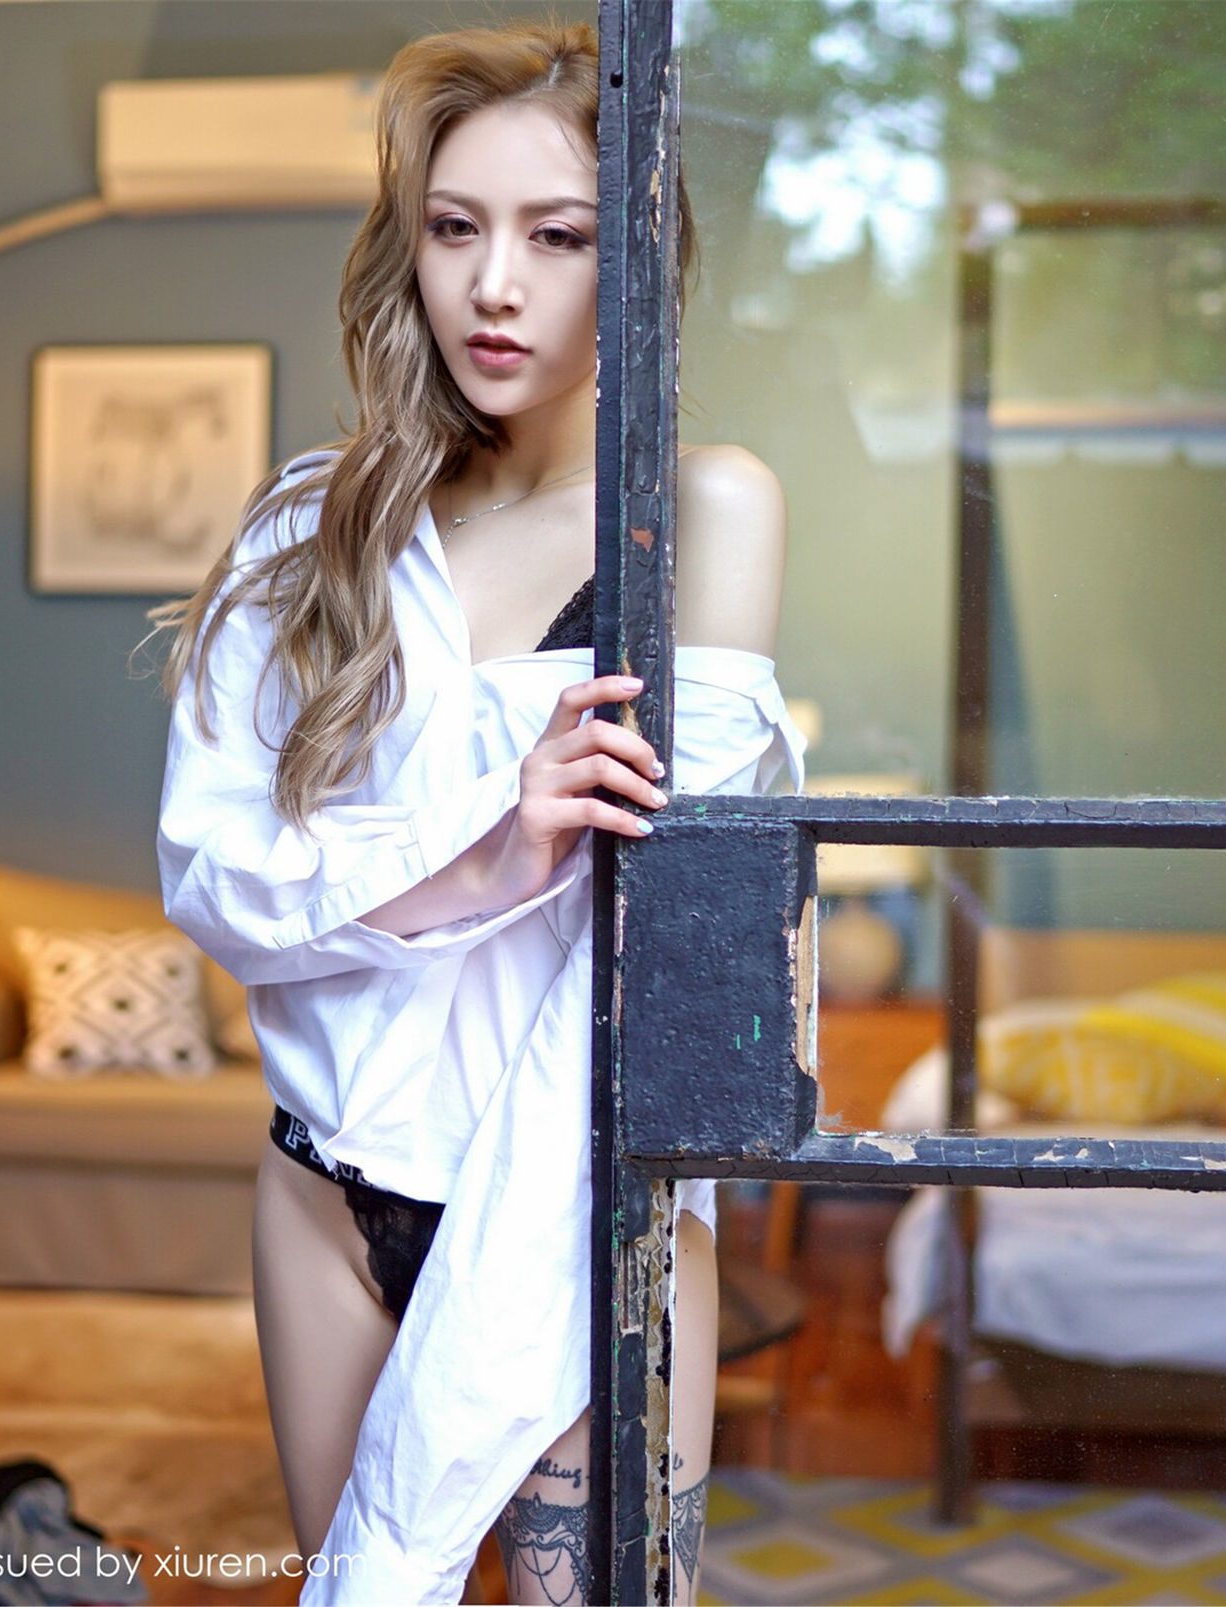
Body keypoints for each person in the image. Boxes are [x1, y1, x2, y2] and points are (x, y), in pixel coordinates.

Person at [150, 21, 795, 1607]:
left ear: (634, 261)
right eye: (455, 228)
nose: (494, 285)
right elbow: (217, 880)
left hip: (583, 1214)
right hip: (328, 1202)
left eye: (556, 237)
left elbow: (659, 956)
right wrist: (493, 852)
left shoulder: (698, 511)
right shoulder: (310, 529)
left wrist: (419, 877)